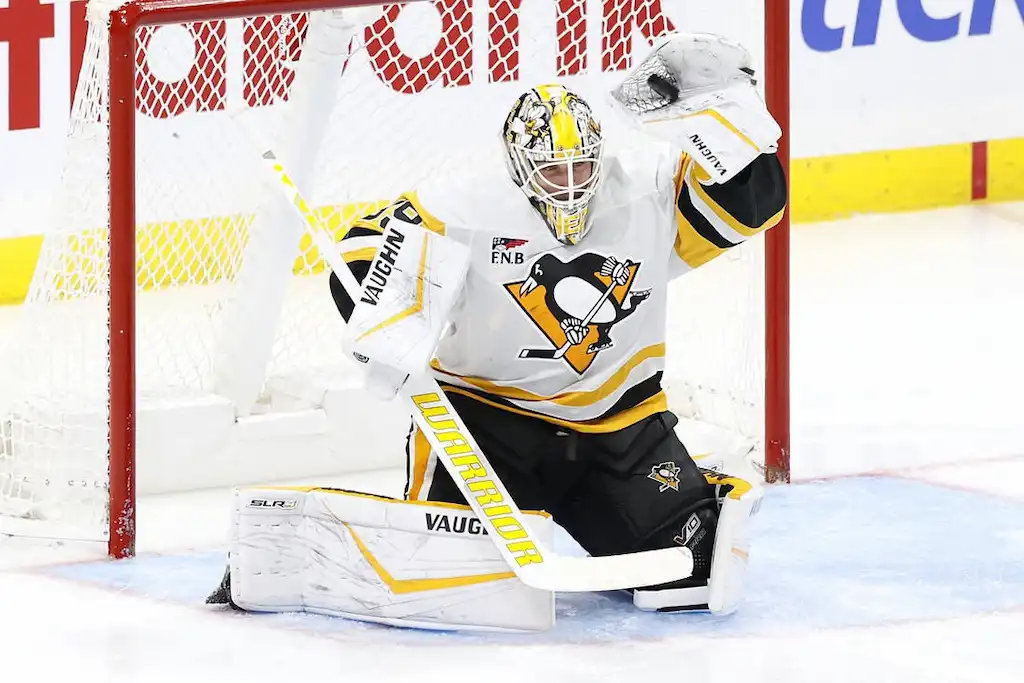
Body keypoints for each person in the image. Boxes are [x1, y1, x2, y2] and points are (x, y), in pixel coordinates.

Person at [209, 33, 786, 631]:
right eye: (551, 170)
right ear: (518, 167)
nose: (569, 184)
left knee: (688, 570)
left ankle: (700, 493)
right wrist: (385, 311)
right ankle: (302, 549)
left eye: (580, 166)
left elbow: (753, 202)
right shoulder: (459, 209)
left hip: (621, 425)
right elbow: (360, 251)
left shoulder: (649, 191)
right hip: (490, 427)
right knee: (454, 588)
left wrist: (729, 114)